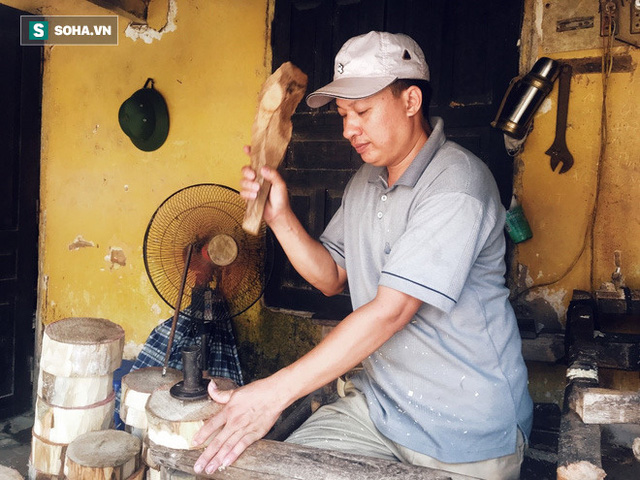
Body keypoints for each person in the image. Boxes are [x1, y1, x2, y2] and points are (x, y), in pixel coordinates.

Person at [192, 30, 533, 480]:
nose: (349, 128)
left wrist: (273, 394)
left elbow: (391, 312)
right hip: (378, 411)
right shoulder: (365, 184)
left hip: (465, 433)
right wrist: (280, 216)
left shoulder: (458, 185)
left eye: (363, 111)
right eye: (343, 114)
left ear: (411, 101)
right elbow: (332, 275)